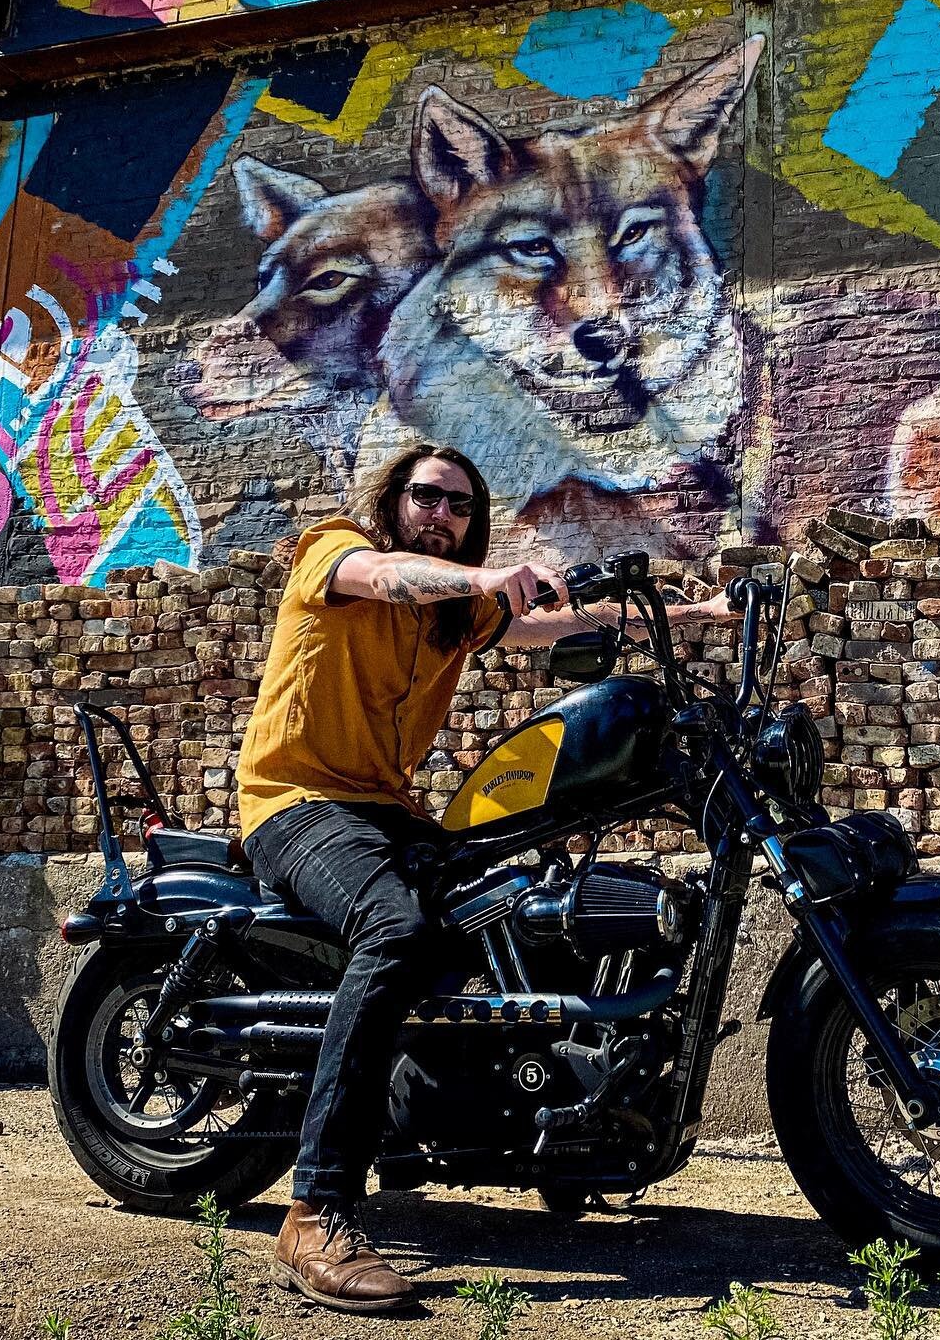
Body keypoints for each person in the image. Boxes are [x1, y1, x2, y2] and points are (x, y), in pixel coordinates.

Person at [237, 442, 730, 1312]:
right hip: (296, 801)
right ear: (394, 499)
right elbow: (387, 576)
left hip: (389, 809)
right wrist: (486, 576)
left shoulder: (455, 618)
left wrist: (693, 620)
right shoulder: (335, 552)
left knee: (504, 911)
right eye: (428, 497)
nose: (443, 515)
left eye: (461, 506)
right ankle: (316, 1208)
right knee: (396, 930)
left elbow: (551, 628)